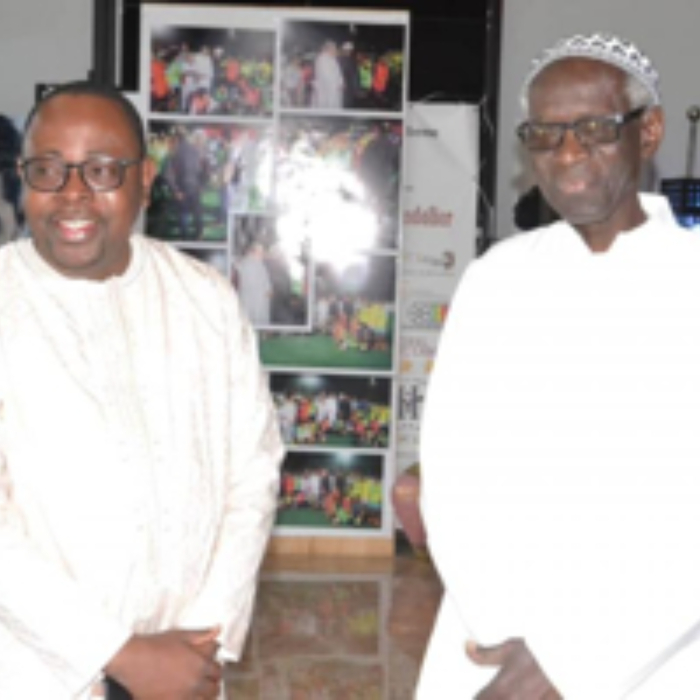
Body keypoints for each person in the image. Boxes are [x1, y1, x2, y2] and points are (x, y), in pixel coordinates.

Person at [417, 32, 700, 699]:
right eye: (545, 135)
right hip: (491, 643)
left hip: (656, 653)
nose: (568, 153)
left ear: (649, 131)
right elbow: (450, 467)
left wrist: (571, 660)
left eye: (595, 129)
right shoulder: (497, 277)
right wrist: (500, 623)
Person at [0, 80, 284, 700]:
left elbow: (252, 472)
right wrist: (119, 655)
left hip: (188, 670)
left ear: (145, 180)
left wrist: (203, 644)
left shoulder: (204, 298)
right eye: (48, 169)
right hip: (32, 672)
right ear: (22, 179)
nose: (72, 193)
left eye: (101, 170)